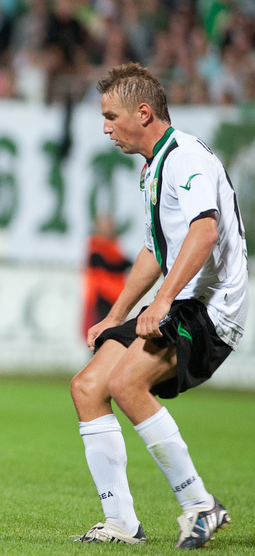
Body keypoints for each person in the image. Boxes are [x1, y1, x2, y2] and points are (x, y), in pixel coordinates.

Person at [70, 63, 247, 548]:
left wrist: (163, 300)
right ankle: (121, 523)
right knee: (88, 387)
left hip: (212, 307)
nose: (105, 128)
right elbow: (154, 250)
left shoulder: (184, 158)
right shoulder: (155, 165)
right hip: (182, 300)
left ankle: (200, 505)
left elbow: (204, 232)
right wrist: (116, 315)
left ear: (143, 113)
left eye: (111, 116)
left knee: (127, 383)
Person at [82, 214, 132, 335]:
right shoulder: (94, 243)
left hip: (116, 295)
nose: (109, 227)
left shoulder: (114, 243)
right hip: (102, 295)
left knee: (116, 330)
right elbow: (105, 263)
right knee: (102, 330)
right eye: (106, 225)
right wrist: (121, 264)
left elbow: (123, 263)